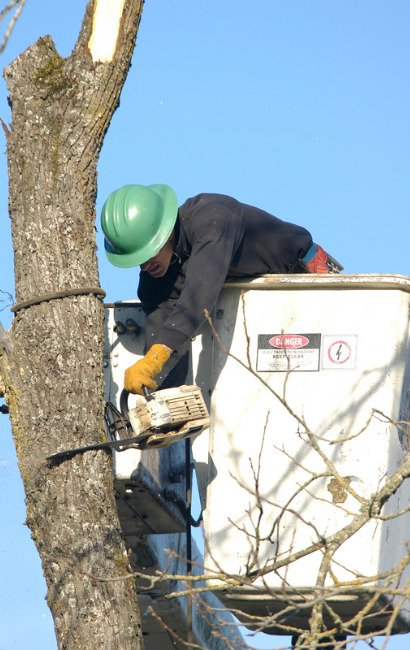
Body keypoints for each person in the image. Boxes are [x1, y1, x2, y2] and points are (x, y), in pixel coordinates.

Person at [101, 184, 342, 395]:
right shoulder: (157, 275)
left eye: (148, 254)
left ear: (163, 233)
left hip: (304, 281)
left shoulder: (213, 218)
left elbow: (198, 293)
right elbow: (163, 327)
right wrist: (160, 393)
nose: (144, 266)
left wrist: (156, 358)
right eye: (138, 260)